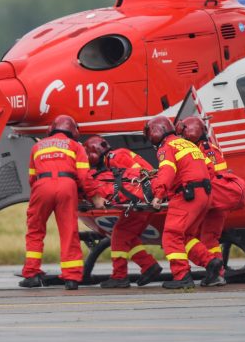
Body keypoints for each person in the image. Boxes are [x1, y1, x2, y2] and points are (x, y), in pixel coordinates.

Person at [19, 115, 104, 290]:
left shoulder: (37, 146)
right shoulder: (76, 146)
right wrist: (95, 197)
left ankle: (31, 274)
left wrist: (40, 194)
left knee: (35, 230)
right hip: (67, 185)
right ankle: (71, 278)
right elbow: (84, 177)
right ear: (73, 131)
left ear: (52, 129)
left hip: (42, 185)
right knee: (69, 231)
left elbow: (32, 178)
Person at [176, 116, 245, 287]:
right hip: (216, 200)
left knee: (192, 236)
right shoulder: (208, 148)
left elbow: (209, 176)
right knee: (210, 240)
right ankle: (217, 274)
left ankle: (214, 270)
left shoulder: (203, 150)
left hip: (212, 199)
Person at [83, 135, 163, 288]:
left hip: (143, 200)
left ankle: (120, 276)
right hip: (145, 199)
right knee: (126, 235)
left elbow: (137, 179)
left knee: (119, 234)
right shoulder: (118, 154)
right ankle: (148, 265)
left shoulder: (115, 158)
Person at [146, 115, 213, 289]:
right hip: (204, 194)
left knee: (171, 235)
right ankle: (211, 262)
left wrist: (159, 194)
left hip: (187, 195)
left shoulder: (166, 147)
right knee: (187, 236)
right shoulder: (189, 144)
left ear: (156, 131)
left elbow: (167, 171)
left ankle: (182, 276)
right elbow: (209, 167)